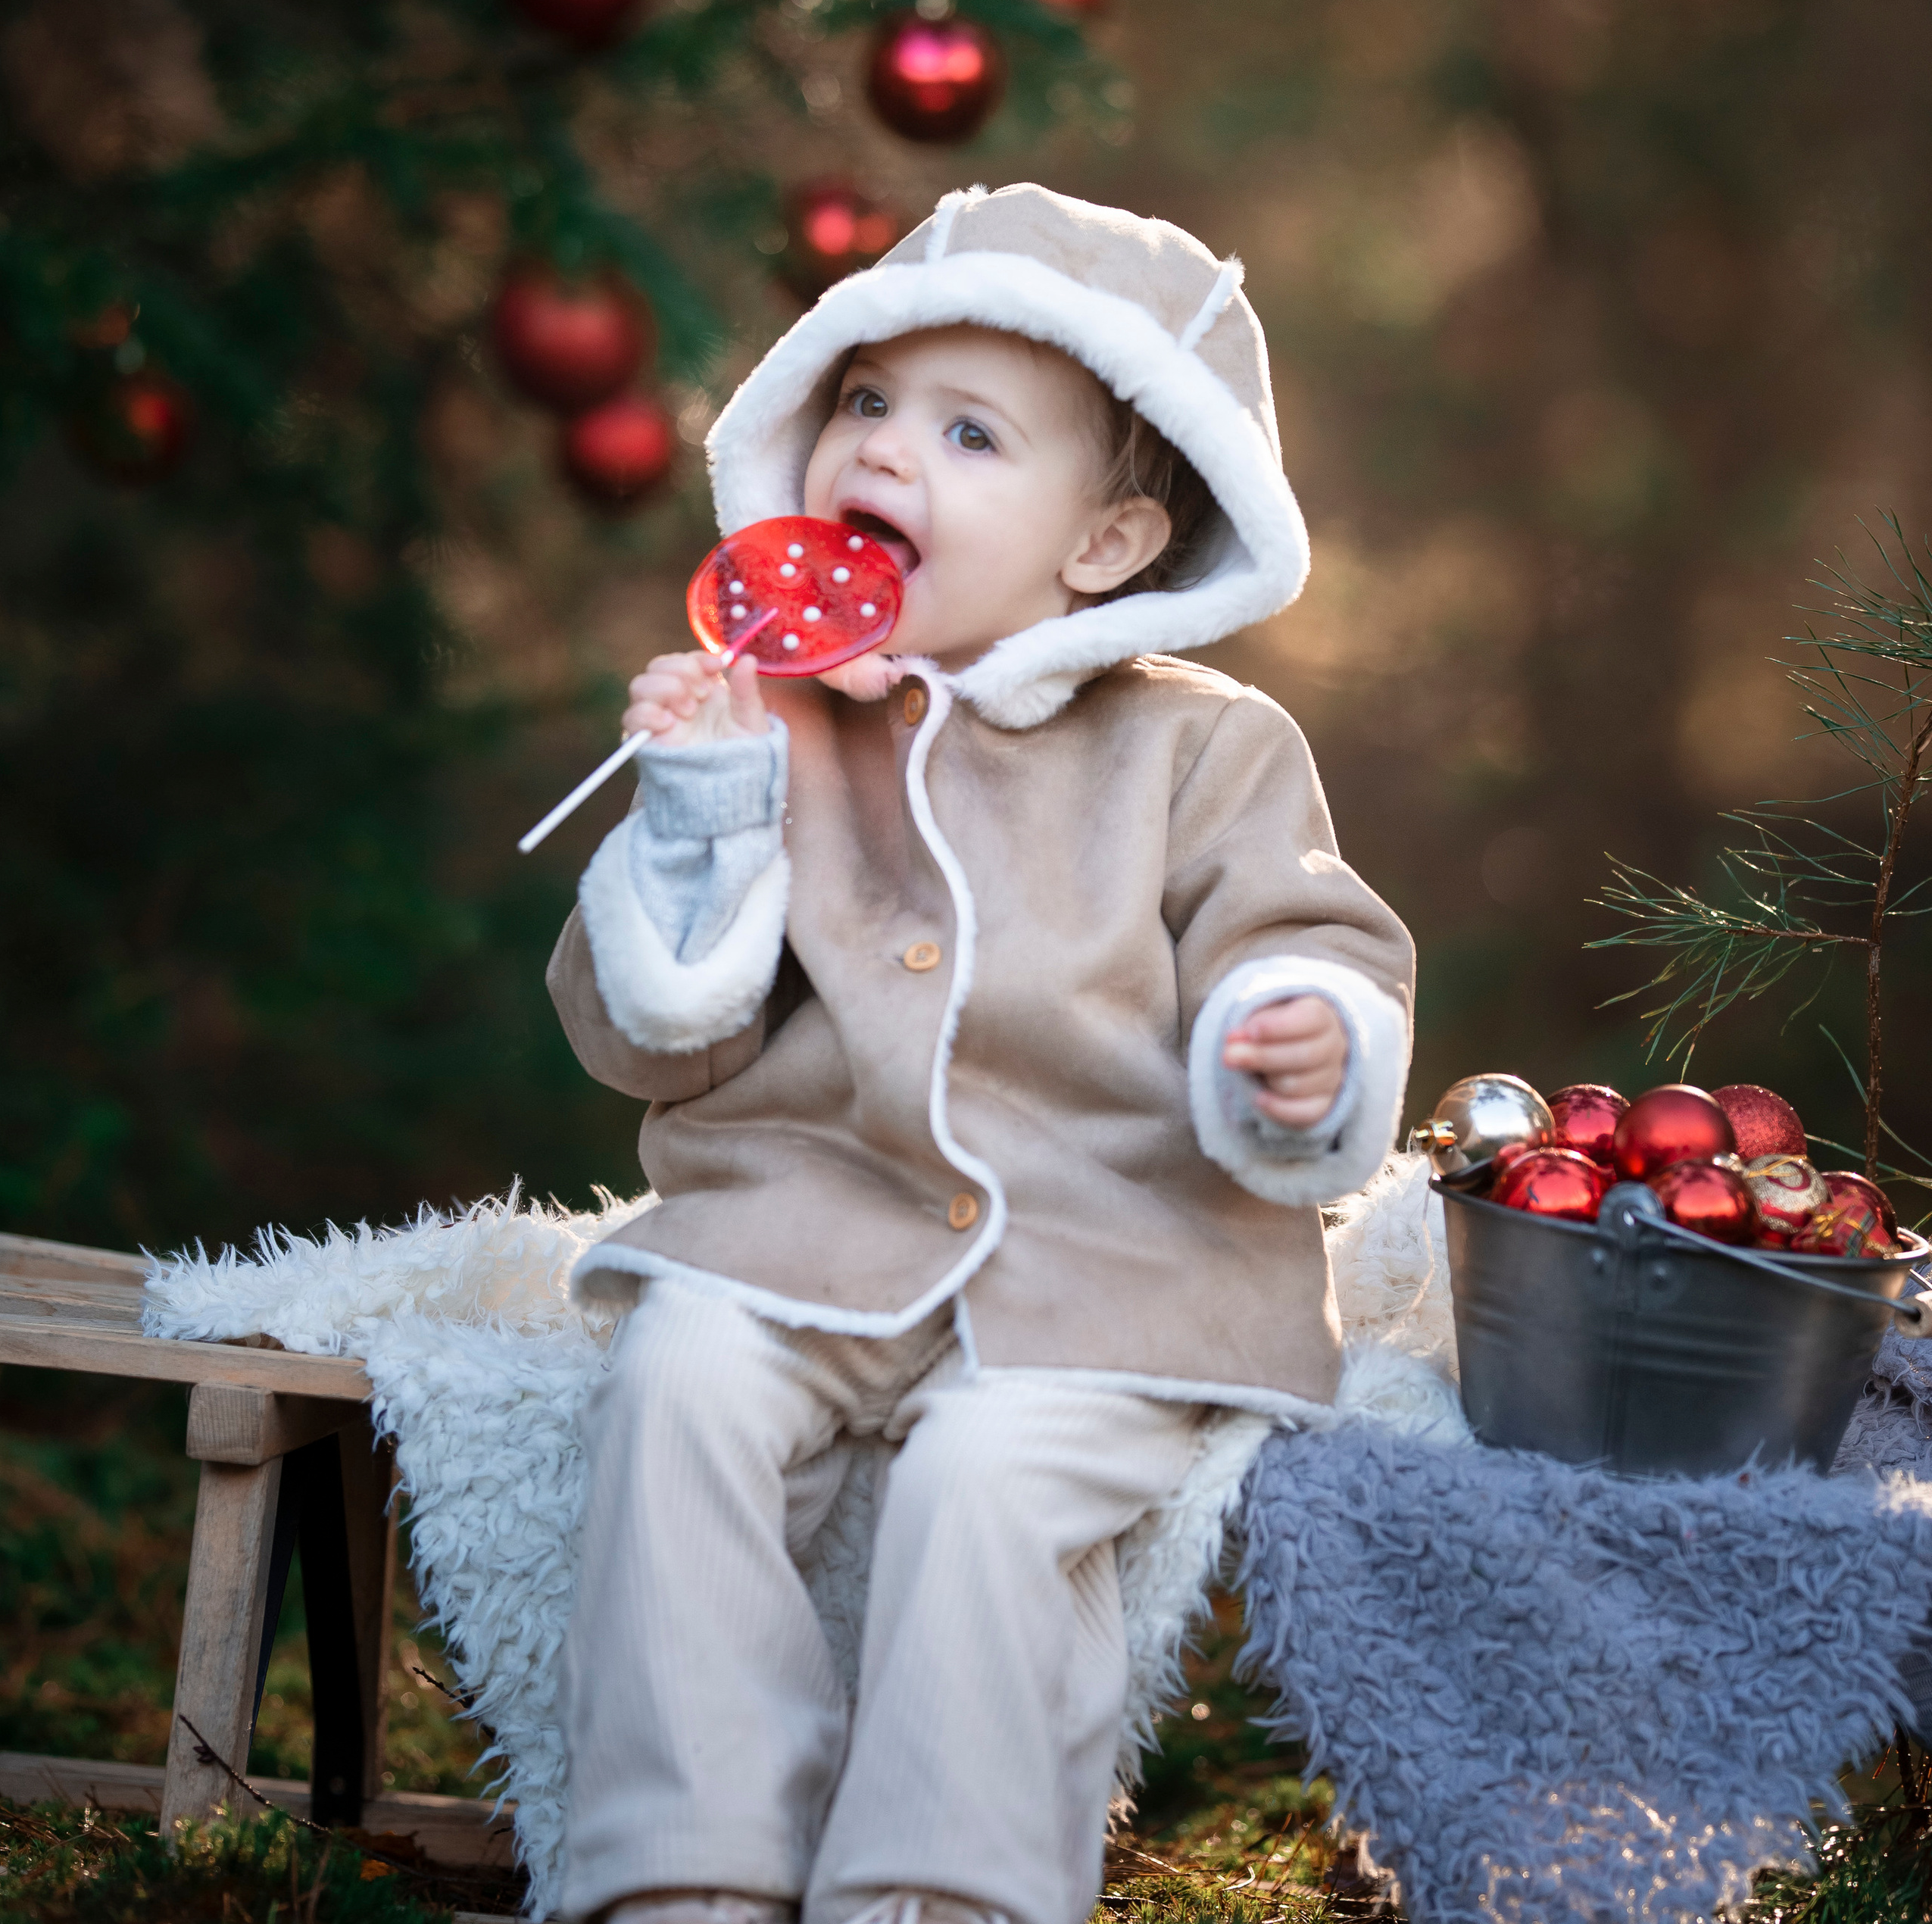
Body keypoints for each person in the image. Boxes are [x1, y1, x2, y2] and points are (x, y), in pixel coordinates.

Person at [547, 183, 1415, 1924]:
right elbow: (660, 1041)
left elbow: (1301, 930)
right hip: (819, 1214)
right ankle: (680, 1864)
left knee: (984, 1474)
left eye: (967, 432)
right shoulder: (769, 715)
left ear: (1100, 545)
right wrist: (702, 811)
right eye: (866, 399)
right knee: (681, 1377)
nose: (882, 448)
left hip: (1114, 1245)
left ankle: (938, 1887)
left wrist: (1293, 1033)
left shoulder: (1204, 746)